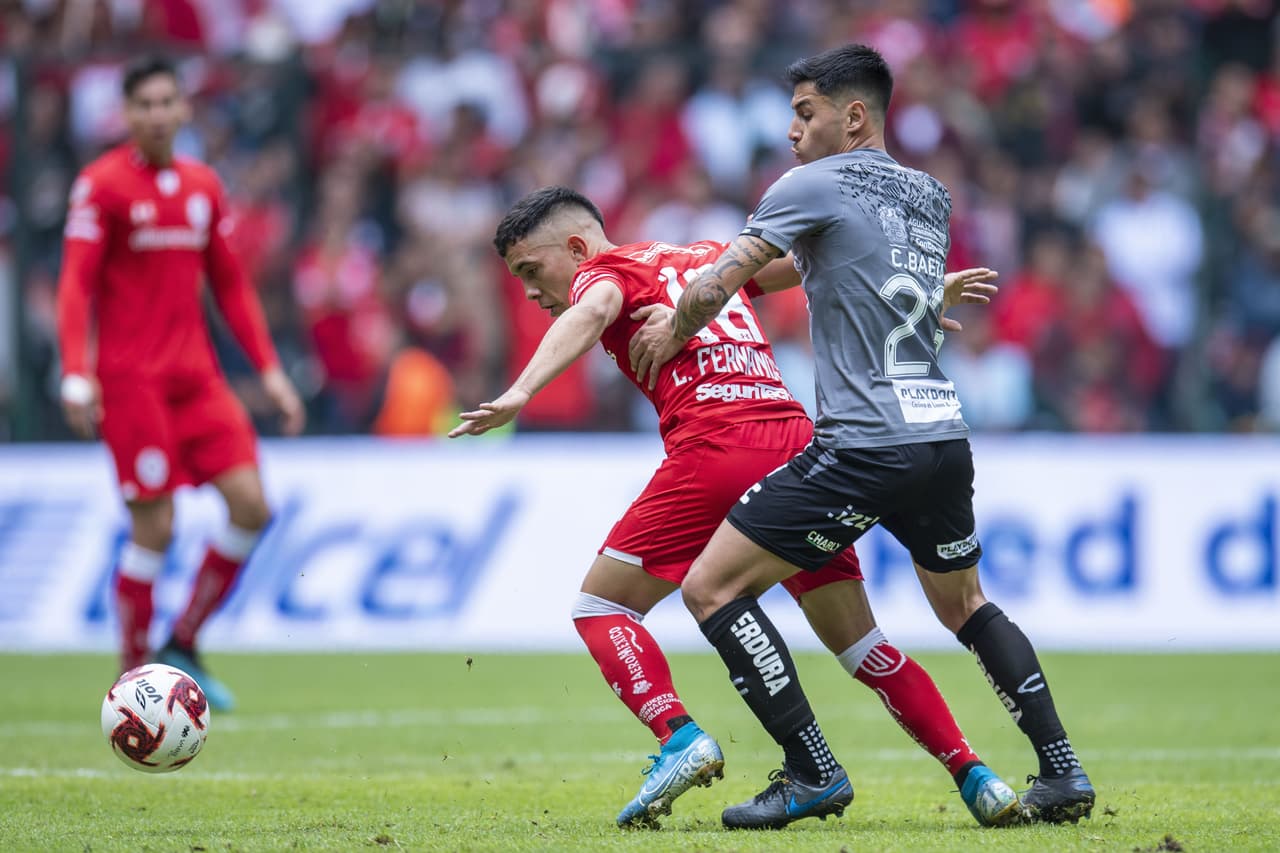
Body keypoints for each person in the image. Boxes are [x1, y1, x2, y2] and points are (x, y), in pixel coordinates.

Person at [450, 186, 1024, 830]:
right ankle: (976, 775)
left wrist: (520, 391)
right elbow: (816, 266)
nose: (531, 292)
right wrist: (918, 293)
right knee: (861, 643)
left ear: (577, 247)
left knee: (602, 606)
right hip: (801, 449)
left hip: (716, 448)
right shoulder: (708, 257)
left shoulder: (602, 273)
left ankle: (680, 737)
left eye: (532, 271)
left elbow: (590, 311)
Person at [629, 43, 1095, 828]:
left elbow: (726, 279)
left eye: (805, 114)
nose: (792, 133)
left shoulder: (807, 185)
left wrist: (673, 326)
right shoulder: (929, 194)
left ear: (854, 116)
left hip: (862, 444)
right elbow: (854, 275)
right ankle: (1062, 768)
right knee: (966, 603)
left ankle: (810, 766)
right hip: (941, 437)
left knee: (710, 587)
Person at [56, 56, 305, 712]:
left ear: (184, 108)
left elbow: (229, 283)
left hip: (197, 377)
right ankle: (132, 681)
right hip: (130, 380)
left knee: (253, 505)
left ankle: (184, 642)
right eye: (145, 104)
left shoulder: (201, 185)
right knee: (155, 527)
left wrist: (270, 372)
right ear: (127, 114)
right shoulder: (101, 186)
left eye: (168, 102)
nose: (158, 114)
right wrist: (76, 372)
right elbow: (76, 283)